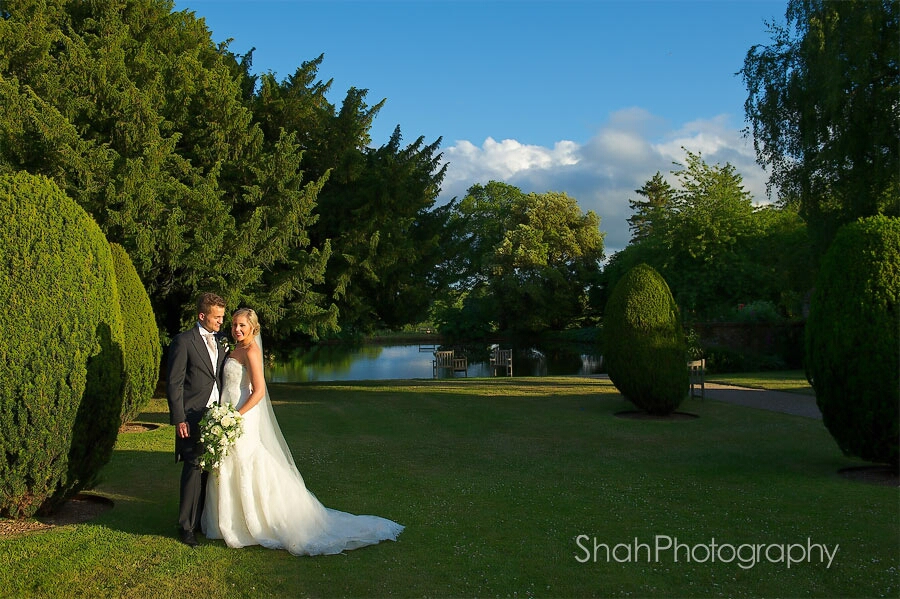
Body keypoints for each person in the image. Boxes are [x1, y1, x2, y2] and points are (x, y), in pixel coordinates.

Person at [202, 308, 403, 555]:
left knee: (245, 461)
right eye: (234, 325)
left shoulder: (252, 351)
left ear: (253, 328)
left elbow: (259, 391)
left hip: (243, 414)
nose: (237, 329)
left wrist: (235, 416)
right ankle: (229, 521)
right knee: (228, 462)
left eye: (242, 325)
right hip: (228, 410)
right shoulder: (234, 349)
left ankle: (258, 521)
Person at [166, 292, 228, 547]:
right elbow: (174, 383)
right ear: (202, 316)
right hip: (192, 415)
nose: (220, 322)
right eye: (217, 317)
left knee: (210, 470)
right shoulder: (184, 341)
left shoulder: (223, 341)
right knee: (193, 469)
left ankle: (203, 521)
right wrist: (179, 418)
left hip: (218, 415)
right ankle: (186, 527)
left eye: (222, 317)